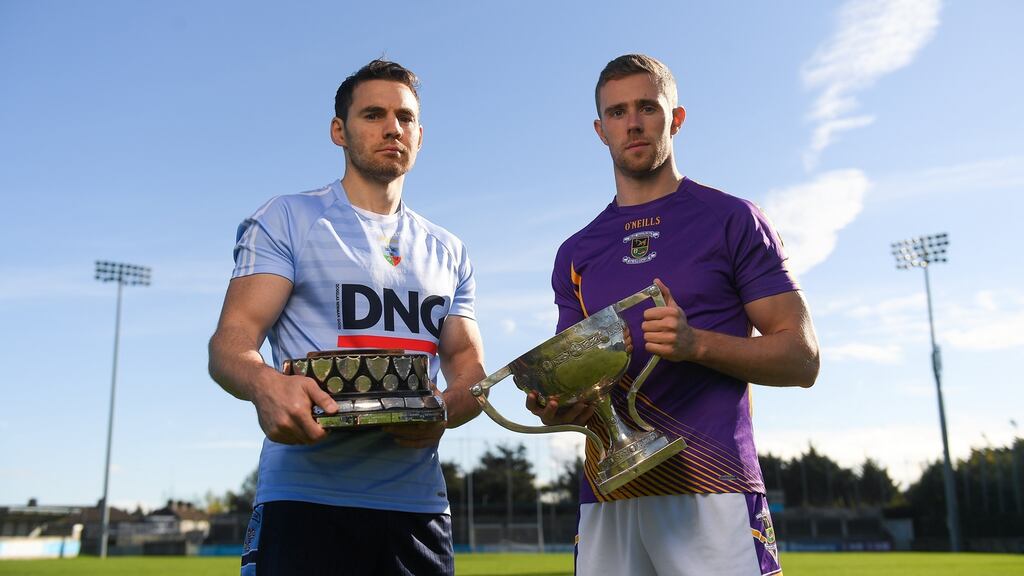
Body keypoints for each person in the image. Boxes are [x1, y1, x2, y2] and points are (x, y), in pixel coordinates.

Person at [527, 54, 820, 576]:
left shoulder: (732, 220)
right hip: (608, 493)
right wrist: (556, 404)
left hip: (715, 486)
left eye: (647, 107)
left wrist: (697, 344)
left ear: (676, 118)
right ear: (600, 130)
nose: (632, 123)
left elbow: (802, 359)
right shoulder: (577, 251)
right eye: (617, 113)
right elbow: (573, 380)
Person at [208, 59, 485, 576]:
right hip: (304, 500)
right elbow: (230, 343)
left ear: (420, 136)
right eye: (373, 114)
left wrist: (445, 409)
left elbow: (469, 367)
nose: (391, 128)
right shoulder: (289, 219)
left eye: (404, 118)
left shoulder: (449, 250)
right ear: (340, 130)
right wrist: (266, 385)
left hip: (417, 510)